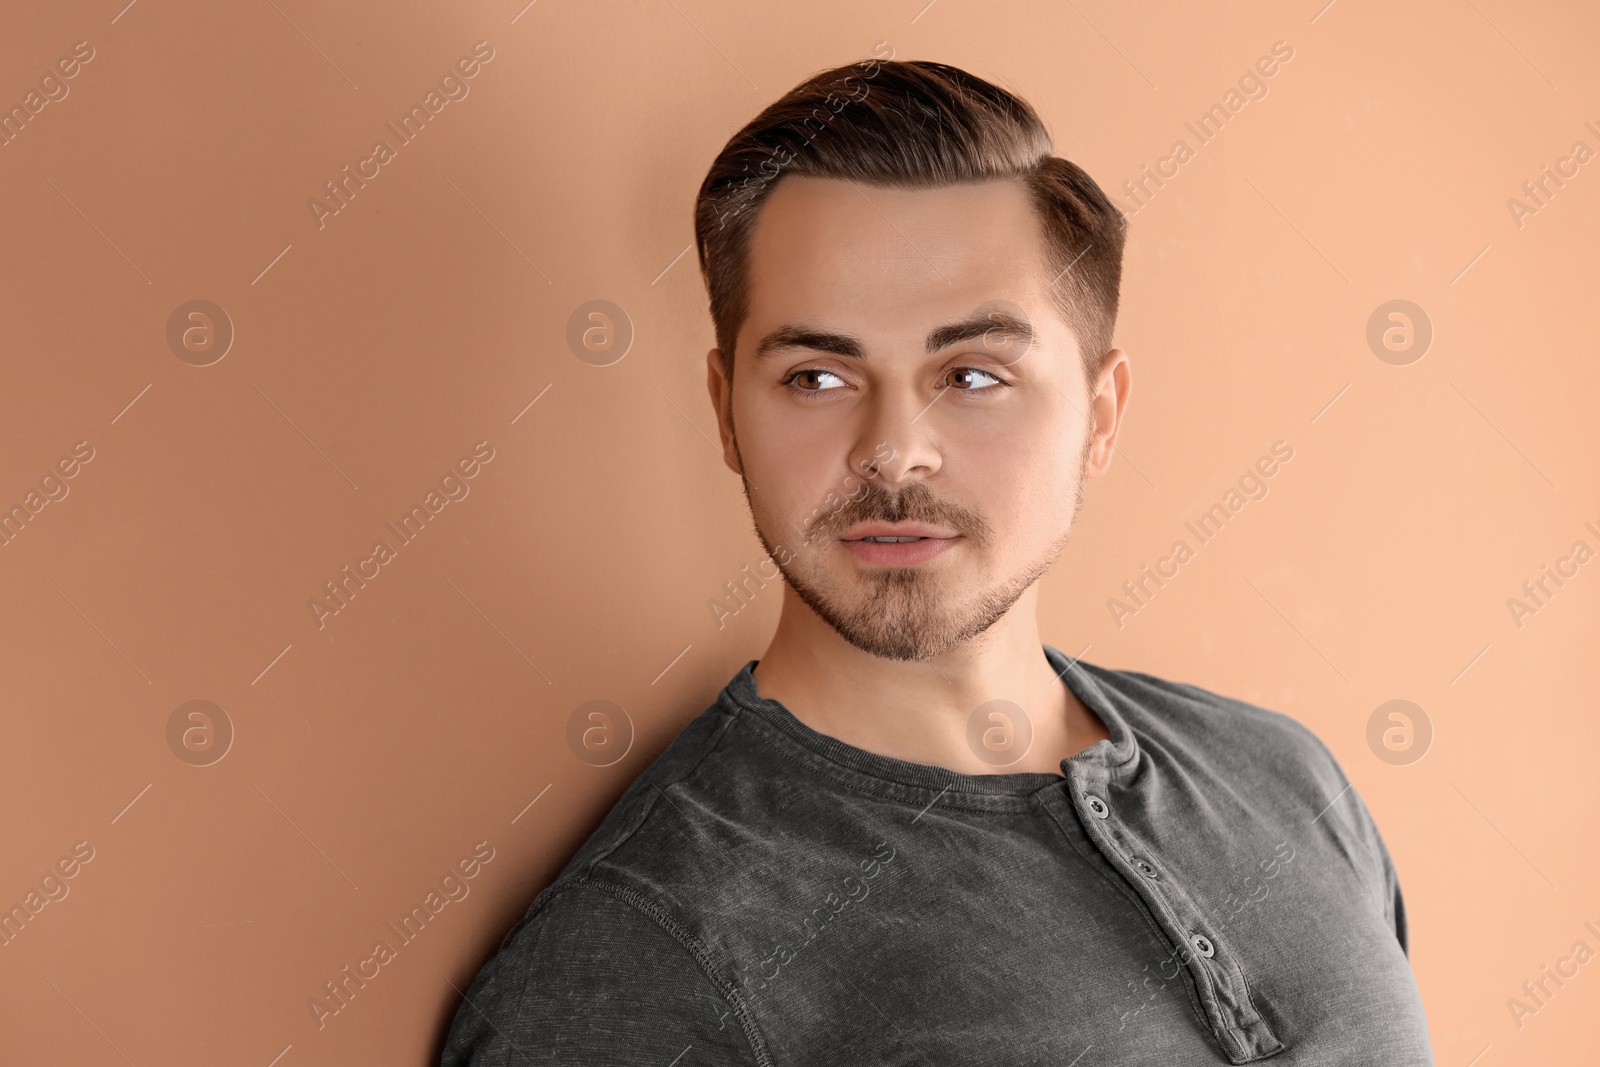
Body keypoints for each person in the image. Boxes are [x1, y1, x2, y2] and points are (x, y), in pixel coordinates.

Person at [439, 56, 1433, 1065]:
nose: (894, 448)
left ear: (1098, 416)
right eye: (817, 375)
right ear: (726, 414)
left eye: (970, 373)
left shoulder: (1285, 777)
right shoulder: (641, 959)